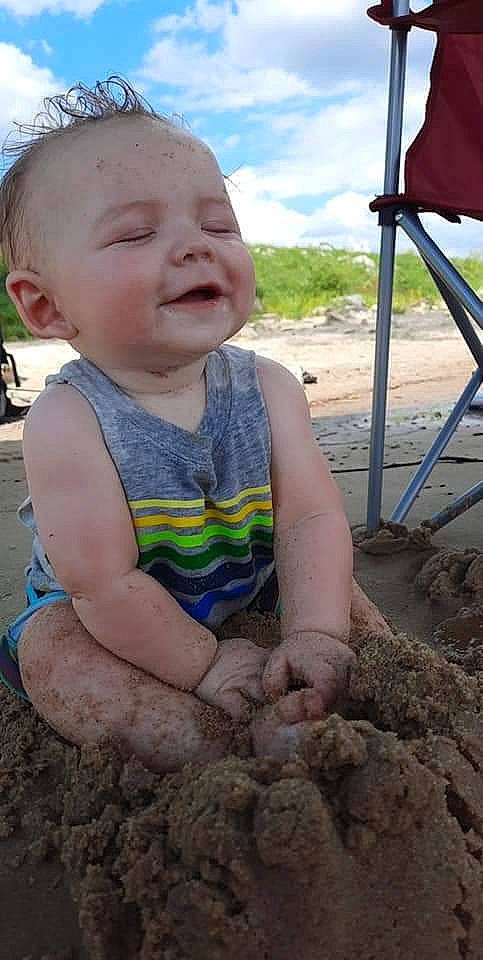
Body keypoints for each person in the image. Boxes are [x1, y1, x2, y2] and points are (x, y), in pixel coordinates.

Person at [0, 77, 389, 772]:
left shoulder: (268, 386)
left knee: (341, 604)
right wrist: (203, 664)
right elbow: (104, 584)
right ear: (46, 307)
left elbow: (308, 521)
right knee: (52, 657)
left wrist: (312, 630)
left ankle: (379, 704)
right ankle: (208, 754)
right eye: (135, 233)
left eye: (217, 225)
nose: (194, 246)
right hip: (108, 619)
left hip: (249, 581)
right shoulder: (67, 420)